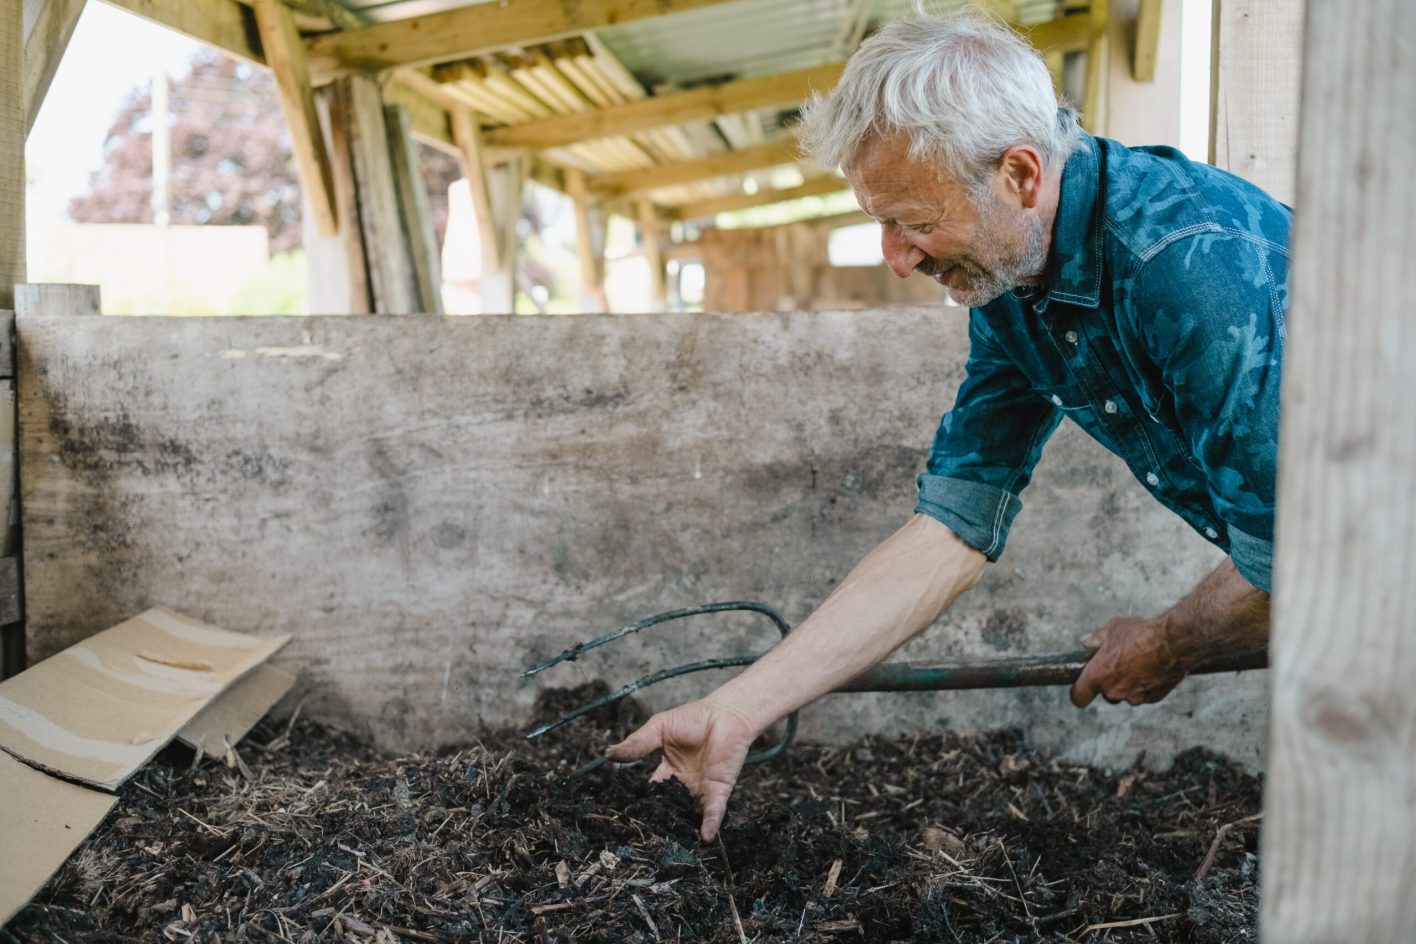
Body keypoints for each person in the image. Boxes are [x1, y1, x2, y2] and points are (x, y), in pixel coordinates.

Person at [608, 10, 1284, 842]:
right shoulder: (1011, 286)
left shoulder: (1189, 272)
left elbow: (1299, 560)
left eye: (914, 223)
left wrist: (1174, 640)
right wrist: (738, 708)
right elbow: (953, 526)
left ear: (1020, 174)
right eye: (880, 221)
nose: (896, 256)